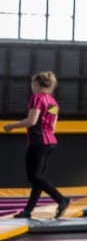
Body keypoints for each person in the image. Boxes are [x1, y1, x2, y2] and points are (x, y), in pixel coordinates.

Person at [4, 71, 71, 220]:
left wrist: (11, 126)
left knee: (34, 176)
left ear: (37, 84)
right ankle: (28, 211)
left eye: (32, 84)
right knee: (37, 177)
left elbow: (31, 121)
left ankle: (61, 199)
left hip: (38, 141)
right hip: (50, 142)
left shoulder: (36, 98)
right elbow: (53, 126)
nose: (31, 87)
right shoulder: (53, 102)